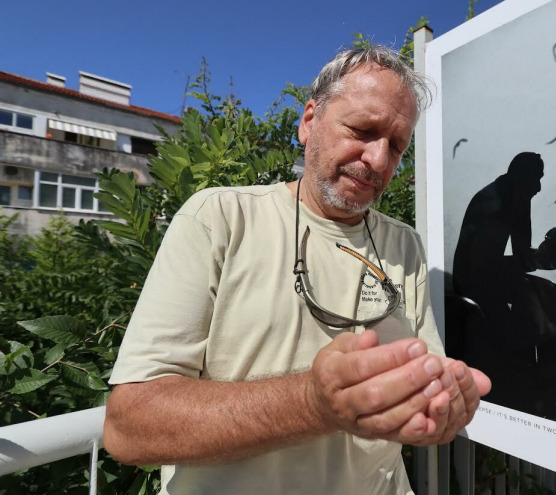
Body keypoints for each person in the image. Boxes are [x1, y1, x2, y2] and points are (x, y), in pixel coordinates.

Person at [103, 46, 491, 495]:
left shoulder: (404, 244)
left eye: (397, 146)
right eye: (363, 130)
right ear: (309, 122)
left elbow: (428, 380)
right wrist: (313, 404)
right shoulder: (220, 218)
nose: (379, 161)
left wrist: (442, 410)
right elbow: (129, 425)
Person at [451, 152, 556, 416]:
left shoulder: (512, 193)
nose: (538, 188)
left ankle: (553, 373)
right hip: (473, 276)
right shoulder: (500, 199)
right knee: (537, 292)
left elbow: (520, 257)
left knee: (548, 290)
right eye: (536, 180)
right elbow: (494, 262)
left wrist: (546, 255)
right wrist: (549, 255)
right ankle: (540, 374)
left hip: (486, 270)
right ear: (520, 177)